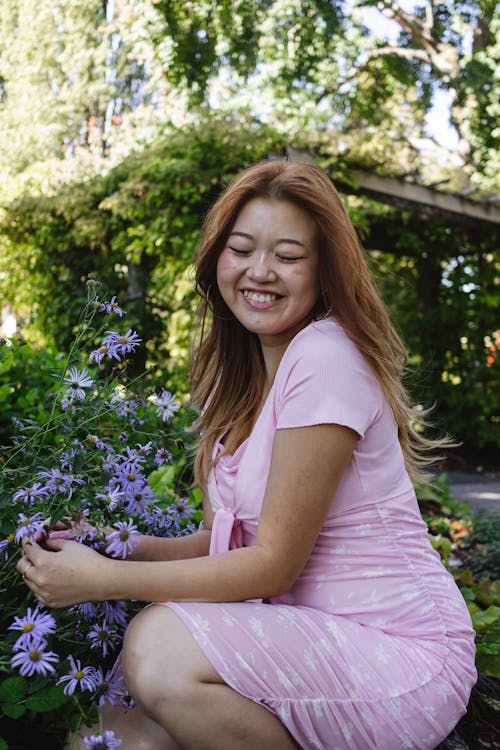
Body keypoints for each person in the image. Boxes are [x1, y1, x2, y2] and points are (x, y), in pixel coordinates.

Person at [17, 161, 477, 750]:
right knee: (103, 735)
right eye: (241, 249)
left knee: (158, 651)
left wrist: (103, 580)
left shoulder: (325, 357)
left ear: (324, 270)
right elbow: (222, 541)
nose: (260, 272)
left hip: (395, 654)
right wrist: (117, 543)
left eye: (288, 255)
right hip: (300, 638)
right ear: (218, 258)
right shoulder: (234, 379)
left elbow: (273, 564)